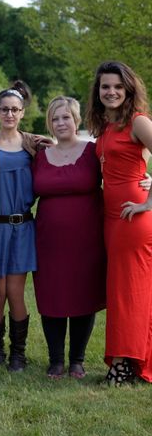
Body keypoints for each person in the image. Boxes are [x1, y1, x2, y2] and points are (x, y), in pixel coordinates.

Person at [32, 96, 106, 379]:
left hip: (87, 238)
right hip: (49, 240)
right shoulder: (39, 156)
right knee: (51, 295)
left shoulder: (93, 151)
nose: (61, 123)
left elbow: (123, 171)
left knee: (82, 294)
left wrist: (145, 180)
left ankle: (77, 359)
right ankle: (55, 360)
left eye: (66, 117)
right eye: (55, 118)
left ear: (77, 120)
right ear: (49, 123)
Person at [87, 61, 152, 385]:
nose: (111, 92)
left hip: (133, 219)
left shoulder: (138, 122)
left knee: (129, 294)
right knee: (125, 292)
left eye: (117, 87)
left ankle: (124, 366)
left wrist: (149, 200)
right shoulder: (108, 126)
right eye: (105, 87)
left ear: (128, 89)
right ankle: (137, 363)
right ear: (98, 92)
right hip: (112, 219)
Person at [0, 80, 50, 372]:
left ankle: (18, 354)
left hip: (22, 227)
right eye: (4, 109)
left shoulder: (33, 144)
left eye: (15, 109)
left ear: (22, 112)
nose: (9, 114)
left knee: (15, 292)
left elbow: (63, 156)